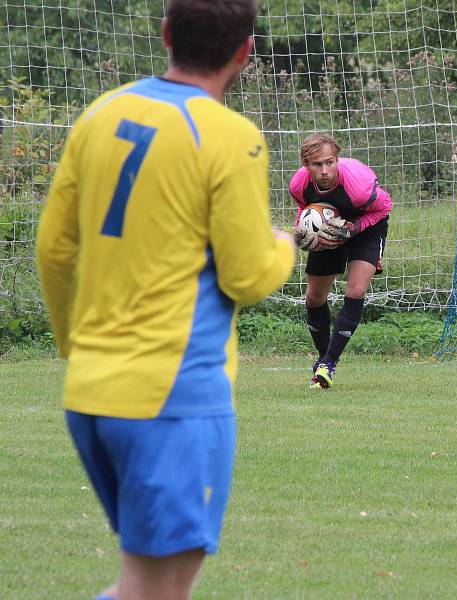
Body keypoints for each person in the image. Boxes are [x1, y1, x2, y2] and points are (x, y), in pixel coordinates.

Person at [35, 0, 296, 598]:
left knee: (146, 589)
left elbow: (53, 250)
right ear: (245, 52)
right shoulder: (229, 136)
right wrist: (285, 244)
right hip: (172, 396)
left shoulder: (102, 112)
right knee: (156, 592)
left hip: (91, 394)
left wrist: (77, 345)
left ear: (165, 34)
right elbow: (248, 277)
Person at [290, 133, 393, 389]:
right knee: (314, 298)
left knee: (356, 289)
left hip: (367, 227)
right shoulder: (298, 185)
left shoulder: (357, 187)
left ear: (337, 159)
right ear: (306, 165)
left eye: (329, 162)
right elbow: (305, 209)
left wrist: (354, 227)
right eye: (317, 164)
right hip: (329, 228)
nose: (324, 170)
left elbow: (385, 206)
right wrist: (301, 232)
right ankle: (325, 360)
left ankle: (328, 364)